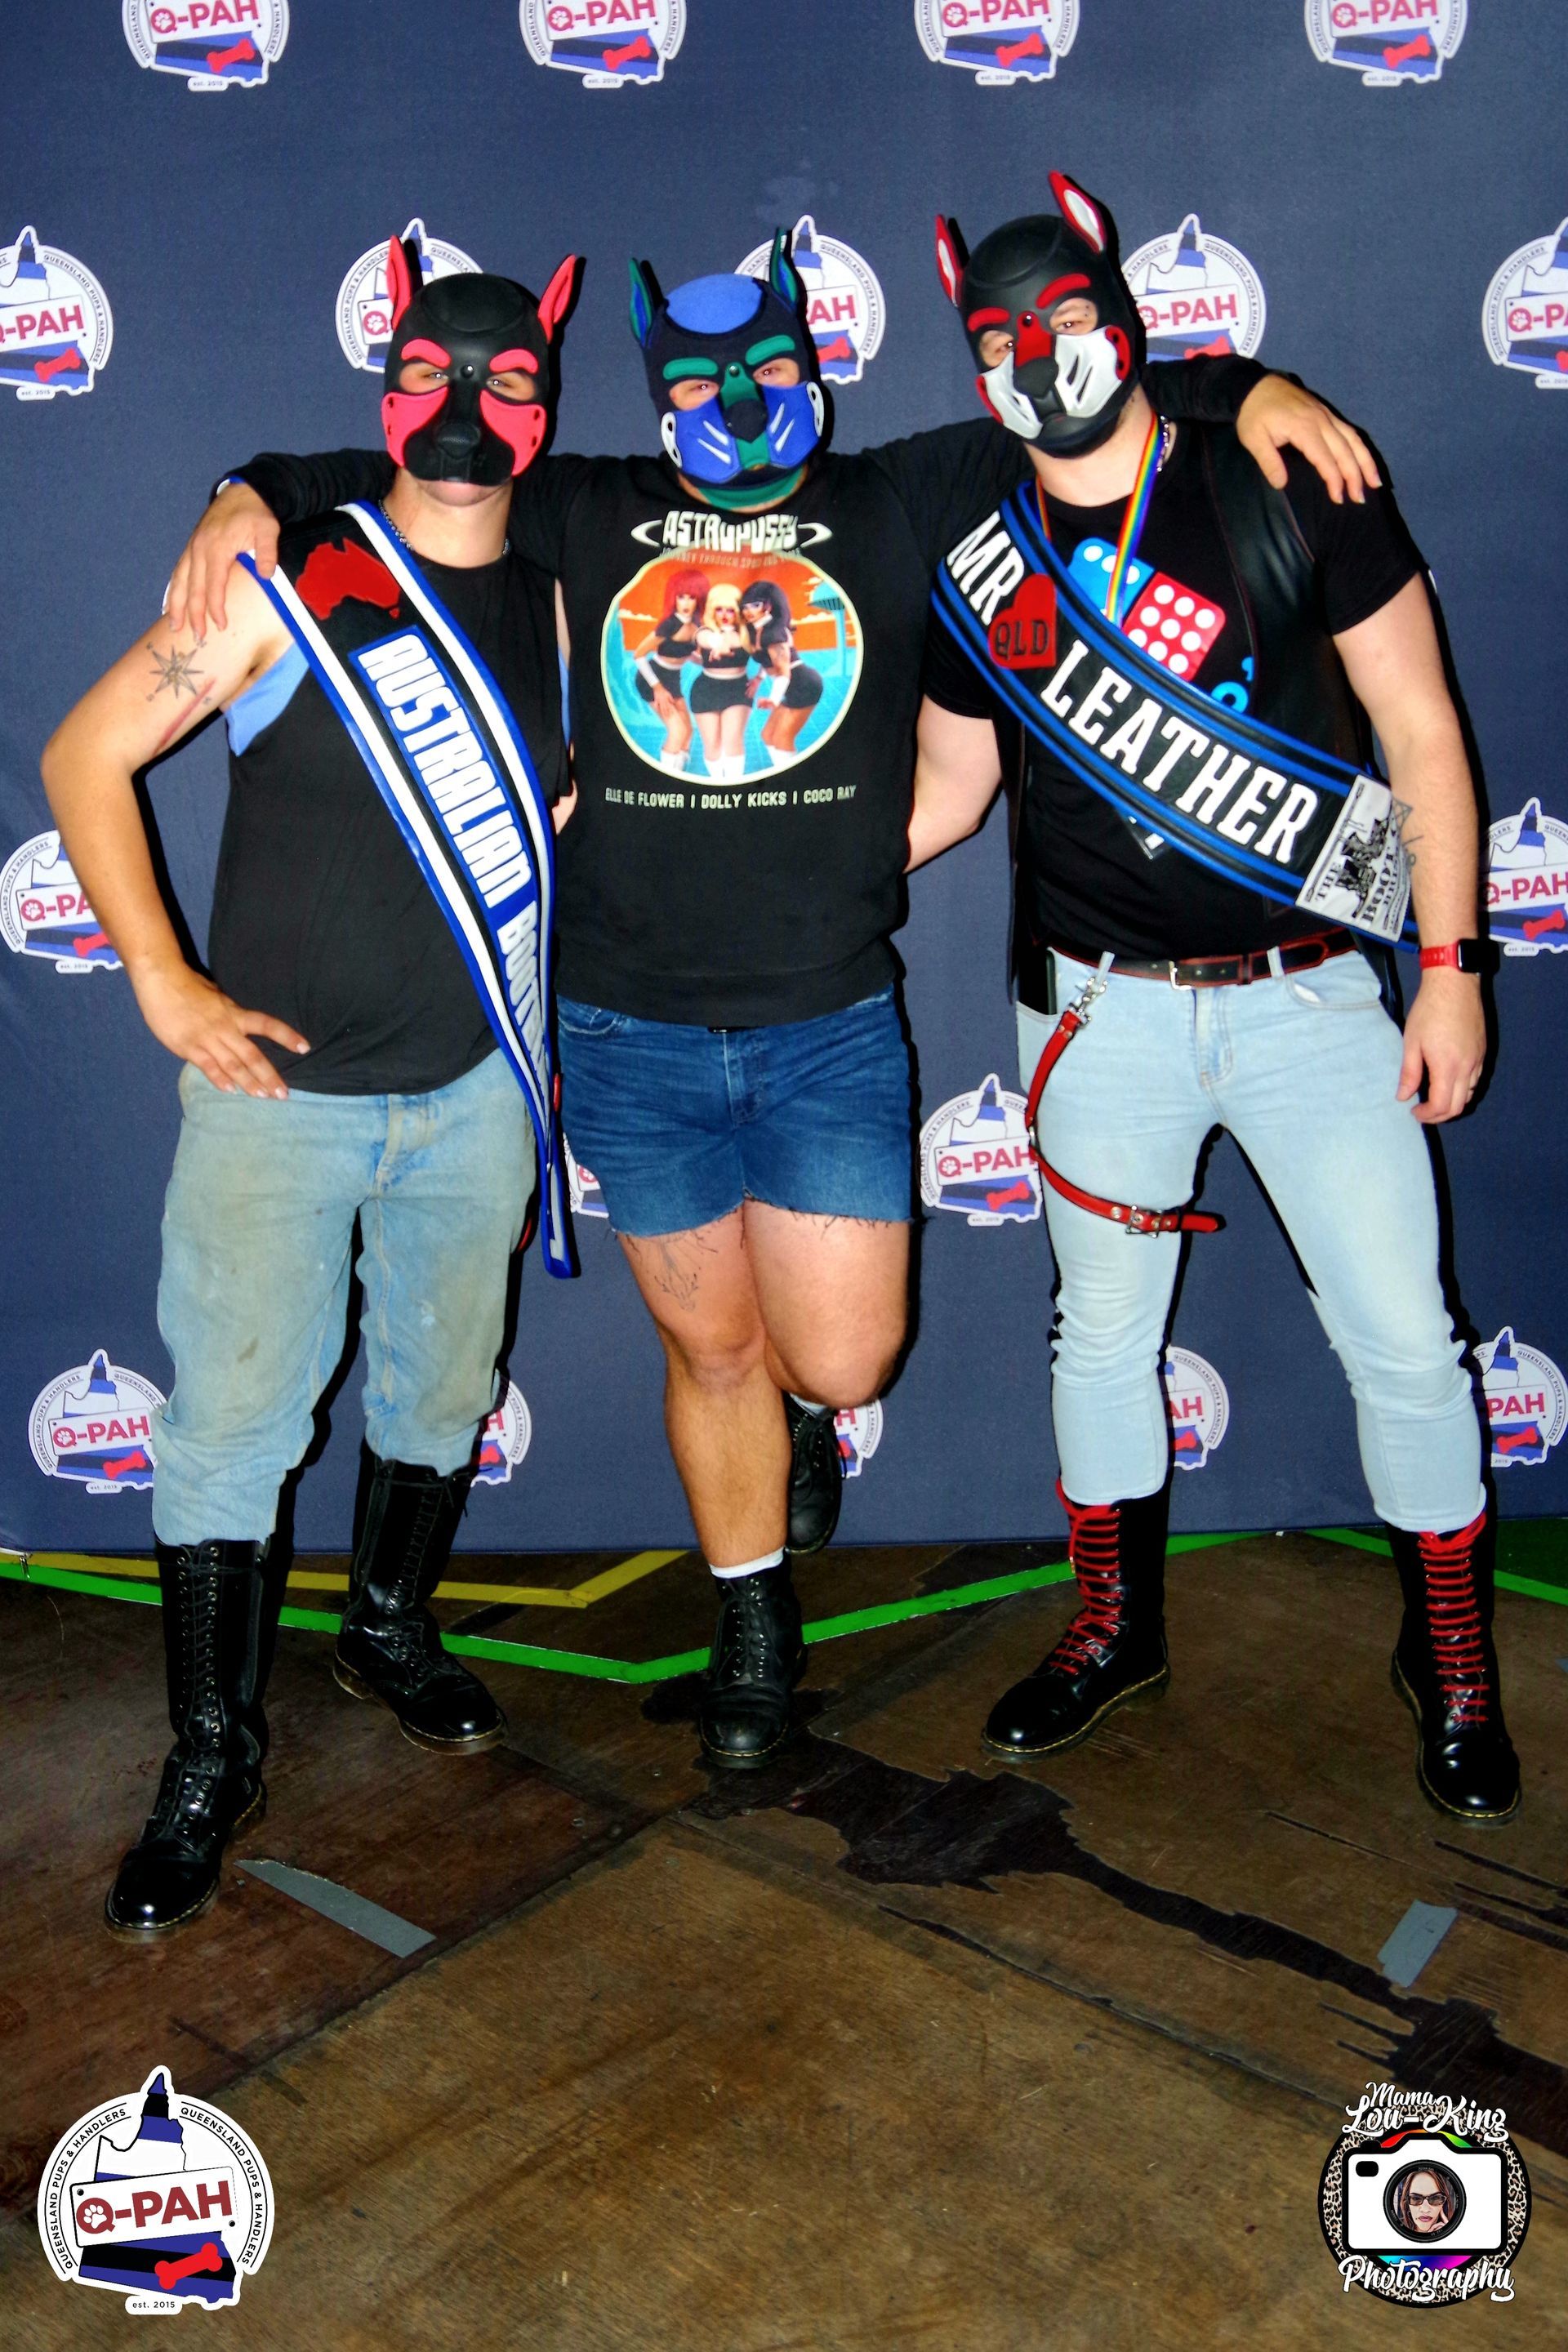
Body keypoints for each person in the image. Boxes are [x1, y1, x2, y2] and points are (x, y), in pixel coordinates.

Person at [166, 220, 1377, 1775]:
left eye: (769, 371)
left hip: (825, 1020)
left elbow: (1082, 403)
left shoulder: (896, 495)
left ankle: (804, 1428)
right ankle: (753, 1624)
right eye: (697, 384)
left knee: (845, 1360)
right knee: (713, 1355)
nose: (736, 406)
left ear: (820, 365)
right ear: (648, 392)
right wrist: (253, 484)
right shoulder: (586, 502)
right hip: (630, 1021)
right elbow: (422, 453)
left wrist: (1248, 385)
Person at [911, 175, 1519, 1823]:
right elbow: (947, 790)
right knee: (1101, 1338)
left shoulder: (1281, 472)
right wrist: (753, 864)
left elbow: (1424, 730)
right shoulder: (977, 541)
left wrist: (1451, 968)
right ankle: (1116, 1628)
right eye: (1000, 339)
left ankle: (1451, 1652)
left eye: (1067, 319)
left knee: (1405, 1339)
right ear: (973, 361)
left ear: (1124, 318)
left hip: (1310, 996)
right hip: (1094, 1013)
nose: (1041, 358)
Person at [42, 239, 578, 1934]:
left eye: (505, 378)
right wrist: (159, 973)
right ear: (386, 386)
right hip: (279, 1104)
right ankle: (212, 1751)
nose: (466, 406)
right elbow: (84, 754)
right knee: (228, 1434)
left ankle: (388, 1629)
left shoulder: (569, 599)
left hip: (474, 1094)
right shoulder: (292, 579)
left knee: (443, 1389)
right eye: (431, 373)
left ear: (547, 401)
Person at [741, 578, 823, 767]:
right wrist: (759, 678)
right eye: (745, 607)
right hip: (792, 685)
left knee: (782, 740)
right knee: (768, 735)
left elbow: (783, 671)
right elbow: (768, 660)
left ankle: (793, 779)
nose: (749, 611)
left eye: (755, 605)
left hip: (803, 685)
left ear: (768, 606)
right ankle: (780, 771)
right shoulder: (758, 630)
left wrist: (774, 699)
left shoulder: (773, 632)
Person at [630, 566, 706, 771]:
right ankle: (667, 776)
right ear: (674, 598)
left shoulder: (697, 624)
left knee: (688, 731)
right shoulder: (669, 624)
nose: (686, 603)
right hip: (652, 678)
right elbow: (639, 655)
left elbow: (683, 653)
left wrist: (707, 662)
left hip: (673, 679)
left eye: (692, 597)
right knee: (678, 731)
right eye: (681, 597)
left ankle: (680, 772)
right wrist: (658, 688)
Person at [689, 581, 751, 779]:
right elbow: (705, 639)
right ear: (711, 610)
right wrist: (718, 643)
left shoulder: (747, 633)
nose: (724, 615)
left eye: (730, 610)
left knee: (733, 742)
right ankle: (718, 784)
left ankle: (735, 787)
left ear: (738, 611)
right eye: (719, 609)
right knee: (712, 746)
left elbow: (746, 643)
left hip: (738, 690)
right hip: (705, 690)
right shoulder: (704, 632)